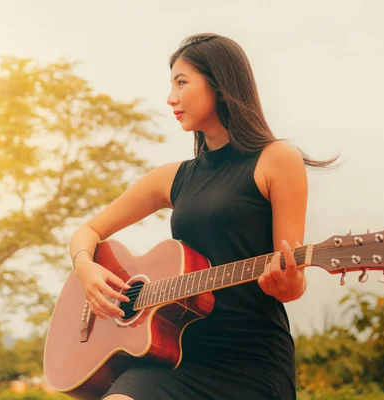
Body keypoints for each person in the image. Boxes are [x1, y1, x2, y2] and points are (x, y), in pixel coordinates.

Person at [69, 33, 338, 400]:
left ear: (221, 85)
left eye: (182, 83)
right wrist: (86, 269)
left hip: (251, 361)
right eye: (171, 85)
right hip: (174, 360)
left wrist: (288, 282)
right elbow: (88, 231)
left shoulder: (277, 159)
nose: (171, 98)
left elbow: (294, 283)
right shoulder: (172, 177)